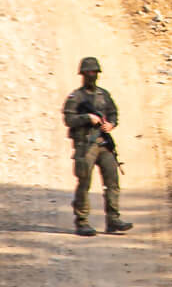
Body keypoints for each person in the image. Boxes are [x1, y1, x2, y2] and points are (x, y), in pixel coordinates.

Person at [61, 57, 132, 236]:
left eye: (94, 72)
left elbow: (113, 112)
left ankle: (113, 220)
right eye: (89, 72)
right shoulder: (76, 97)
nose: (92, 75)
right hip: (85, 146)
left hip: (103, 144)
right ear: (83, 74)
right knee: (84, 183)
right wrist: (87, 118)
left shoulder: (103, 95)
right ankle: (82, 221)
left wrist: (111, 124)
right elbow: (68, 119)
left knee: (112, 182)